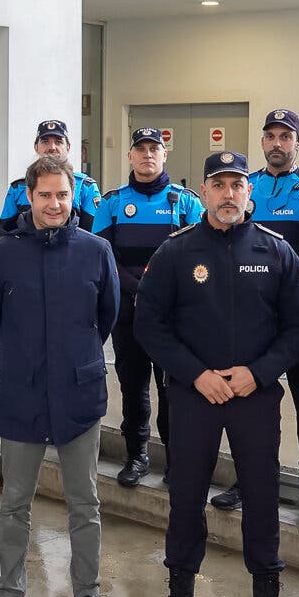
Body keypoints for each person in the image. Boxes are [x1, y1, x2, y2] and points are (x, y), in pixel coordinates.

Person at [136, 151, 299, 597]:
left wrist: (257, 374)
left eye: (237, 185)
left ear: (249, 193)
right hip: (194, 396)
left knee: (260, 497)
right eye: (219, 184)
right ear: (205, 192)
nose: (229, 194)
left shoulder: (277, 251)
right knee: (186, 495)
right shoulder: (176, 252)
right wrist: (196, 375)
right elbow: (149, 324)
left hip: (253, 397)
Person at [0, 155, 121, 597]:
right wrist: (26, 358)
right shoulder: (1, 253)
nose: (55, 204)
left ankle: (87, 595)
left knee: (85, 501)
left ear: (73, 196)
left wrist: (68, 359)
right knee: (15, 502)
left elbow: (107, 318)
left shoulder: (97, 250)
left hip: (79, 393)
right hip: (22, 392)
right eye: (45, 195)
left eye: (63, 195)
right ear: (29, 197)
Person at [209, 109, 299, 530]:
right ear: (262, 142)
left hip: (297, 318)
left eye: (286, 136)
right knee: (250, 404)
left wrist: (293, 304)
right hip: (251, 320)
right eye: (271, 136)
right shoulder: (248, 190)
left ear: (298, 143)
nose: (277, 143)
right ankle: (249, 481)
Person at [92, 127, 202, 487]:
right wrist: (140, 290)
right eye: (140, 149)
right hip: (130, 314)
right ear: (130, 156)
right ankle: (136, 456)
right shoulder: (111, 202)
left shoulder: (185, 202)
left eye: (154, 148)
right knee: (133, 387)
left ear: (164, 154)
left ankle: (175, 463)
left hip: (174, 317)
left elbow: (199, 257)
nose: (147, 155)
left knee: (173, 391)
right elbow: (104, 258)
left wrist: (158, 294)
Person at [0, 119, 101, 234]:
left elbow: (94, 235)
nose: (52, 147)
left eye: (58, 142)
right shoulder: (18, 189)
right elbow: (5, 235)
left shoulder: (85, 187)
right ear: (36, 147)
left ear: (68, 147)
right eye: (45, 141)